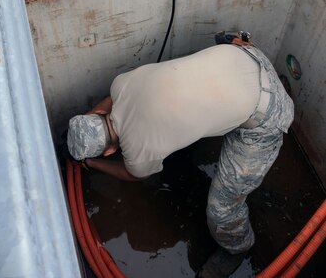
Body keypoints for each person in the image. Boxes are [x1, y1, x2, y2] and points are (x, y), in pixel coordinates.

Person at [67, 43, 294, 278]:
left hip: (266, 116)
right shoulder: (120, 84)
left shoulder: (138, 153)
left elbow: (133, 174)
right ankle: (274, 89)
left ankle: (237, 247)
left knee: (222, 208)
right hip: (247, 54)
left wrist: (90, 163)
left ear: (107, 152)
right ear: (99, 114)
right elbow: (107, 100)